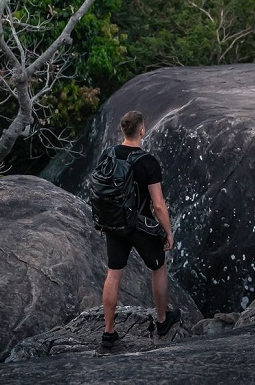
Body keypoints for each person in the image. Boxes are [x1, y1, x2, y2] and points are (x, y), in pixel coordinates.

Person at [100, 109, 181, 348]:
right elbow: (157, 204)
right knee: (159, 267)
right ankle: (162, 320)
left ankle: (108, 332)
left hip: (115, 224)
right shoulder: (148, 161)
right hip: (141, 226)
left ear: (123, 130)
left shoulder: (109, 155)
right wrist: (168, 232)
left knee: (113, 274)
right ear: (142, 130)